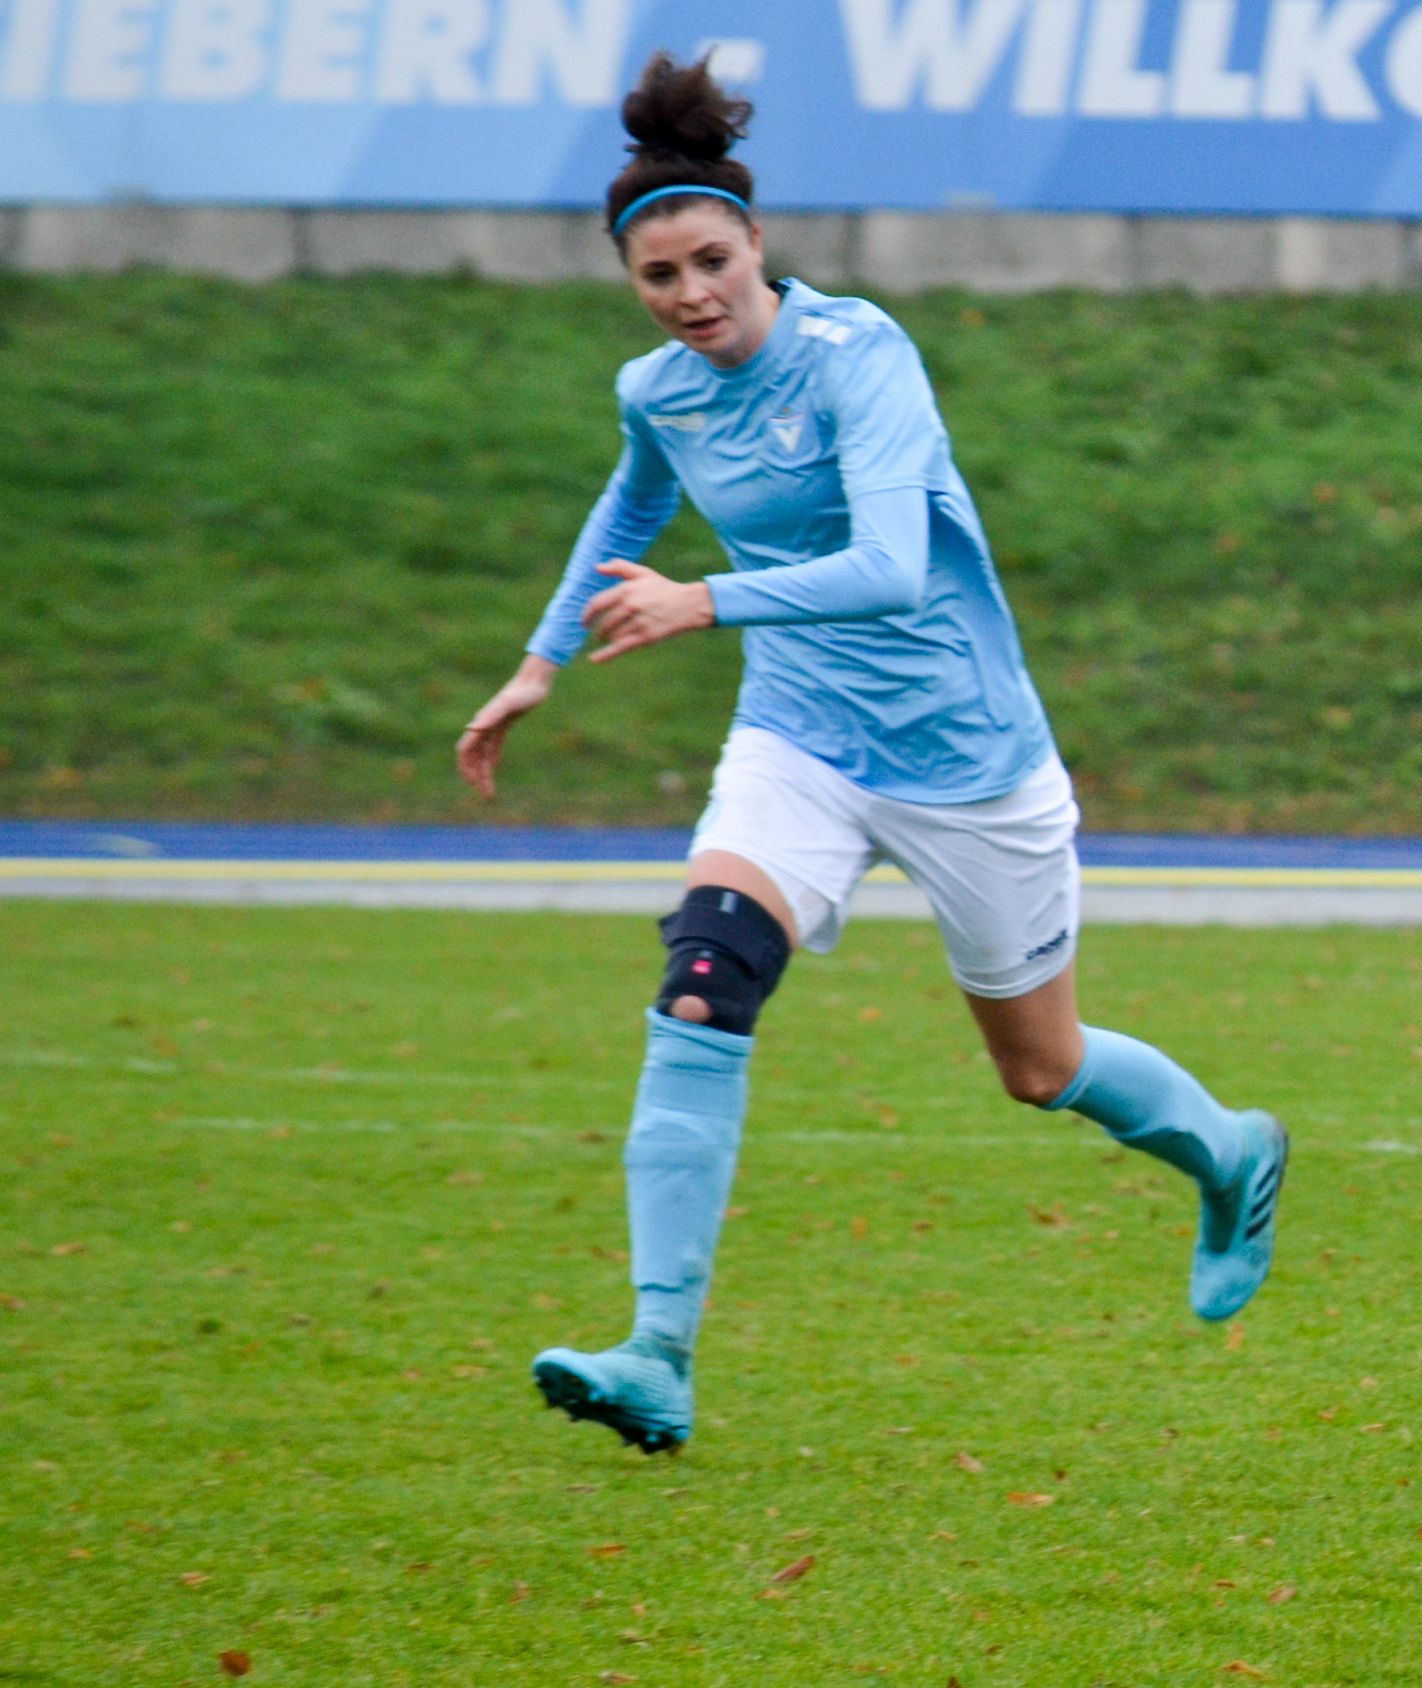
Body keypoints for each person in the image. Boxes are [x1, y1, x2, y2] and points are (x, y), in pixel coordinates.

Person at [455, 55, 1288, 1455]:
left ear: (756, 243)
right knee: (703, 985)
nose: (691, 295)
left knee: (1040, 1067)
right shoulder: (657, 389)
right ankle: (657, 1353)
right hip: (797, 738)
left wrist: (702, 598)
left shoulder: (861, 358)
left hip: (968, 758)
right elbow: (629, 506)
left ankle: (1230, 1149)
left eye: (710, 261)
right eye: (657, 277)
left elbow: (894, 567)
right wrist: (541, 664)